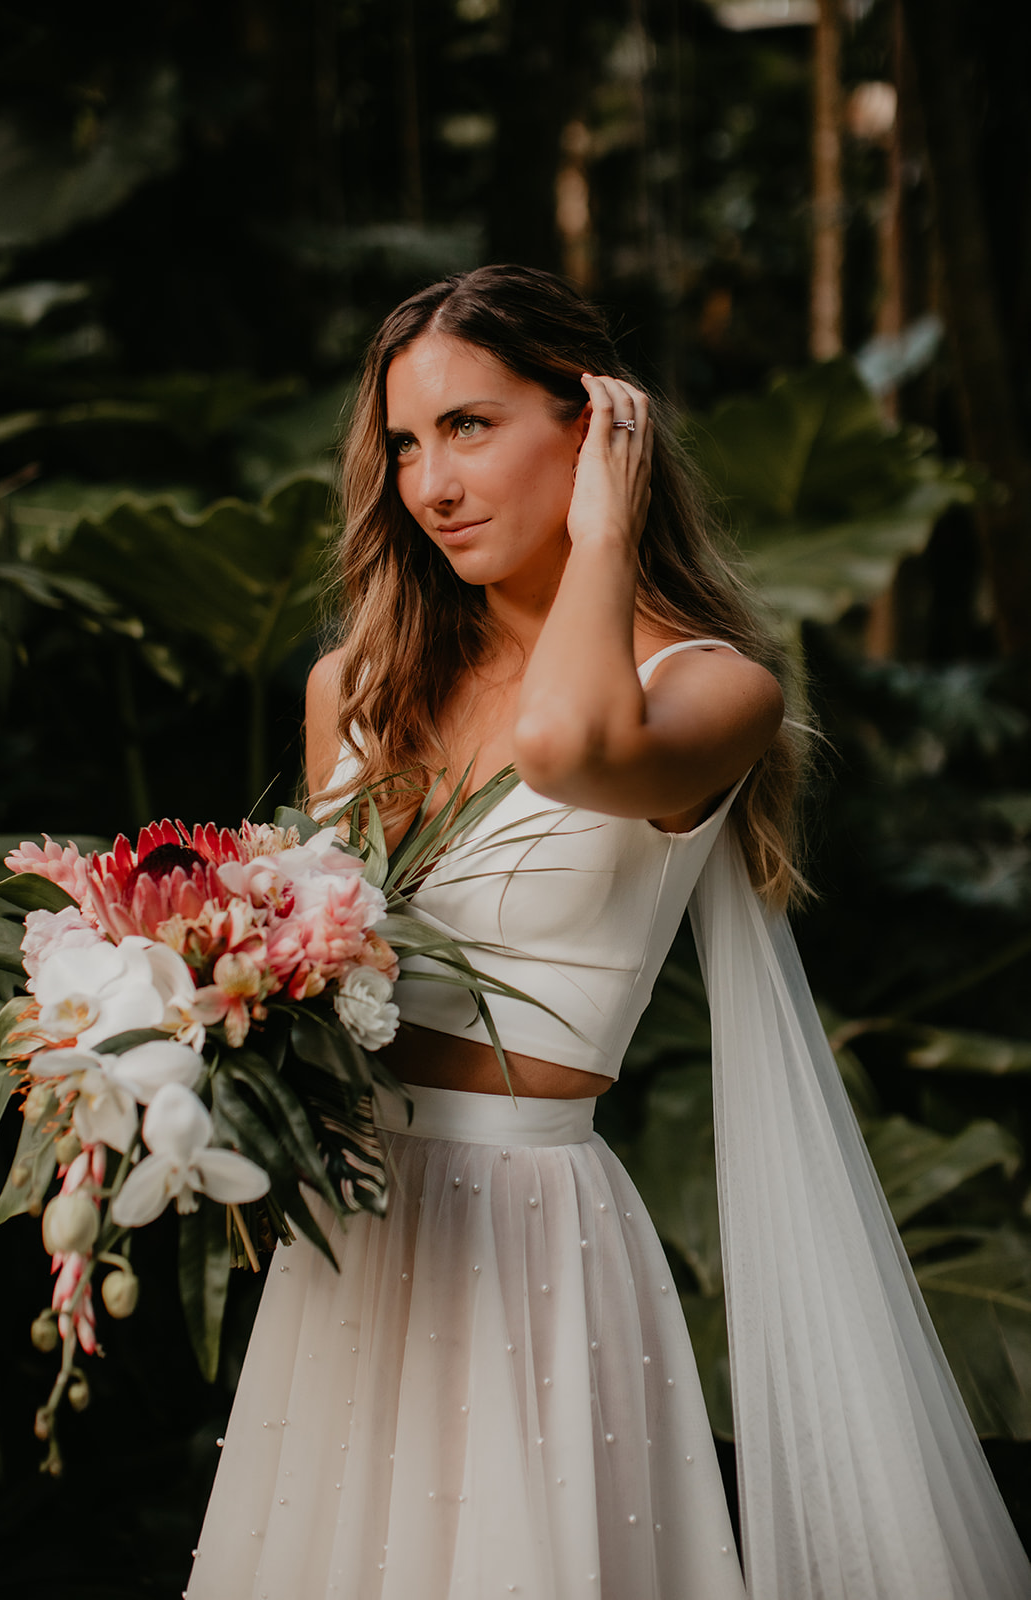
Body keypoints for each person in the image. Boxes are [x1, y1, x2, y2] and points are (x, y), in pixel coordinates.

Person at [184, 266, 1031, 1600]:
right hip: (352, 1239)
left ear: (595, 427)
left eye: (470, 426)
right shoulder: (354, 687)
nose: (430, 482)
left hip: (528, 1243)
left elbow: (572, 747)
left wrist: (605, 532)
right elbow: (305, 963)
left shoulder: (711, 689)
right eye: (406, 444)